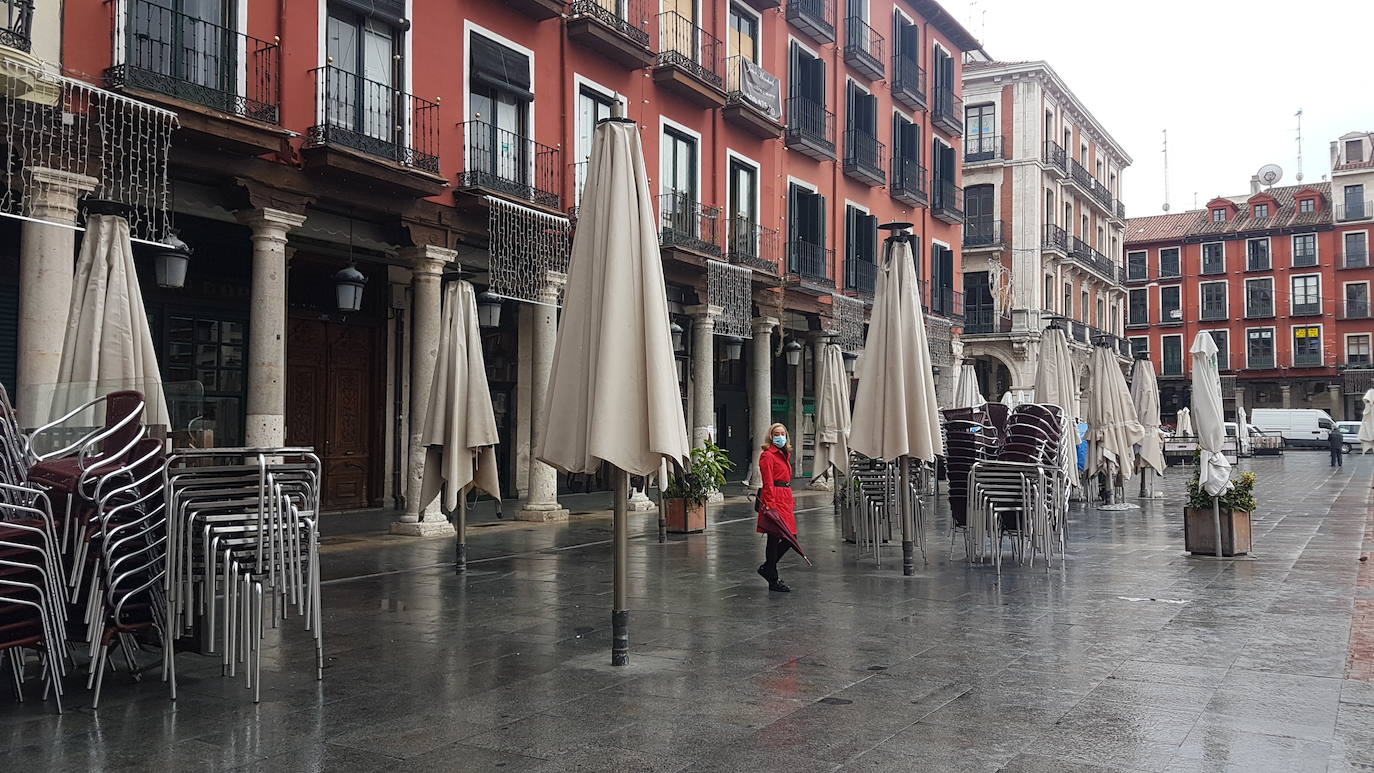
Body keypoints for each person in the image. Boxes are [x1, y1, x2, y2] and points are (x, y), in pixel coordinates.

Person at [756, 423, 797, 592]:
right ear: (771, 436)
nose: (780, 436)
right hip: (775, 499)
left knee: (788, 537)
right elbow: (768, 482)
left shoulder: (783, 454)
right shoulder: (768, 455)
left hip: (785, 498)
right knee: (778, 538)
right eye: (776, 434)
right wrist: (770, 505)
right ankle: (772, 576)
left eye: (783, 433)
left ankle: (768, 569)